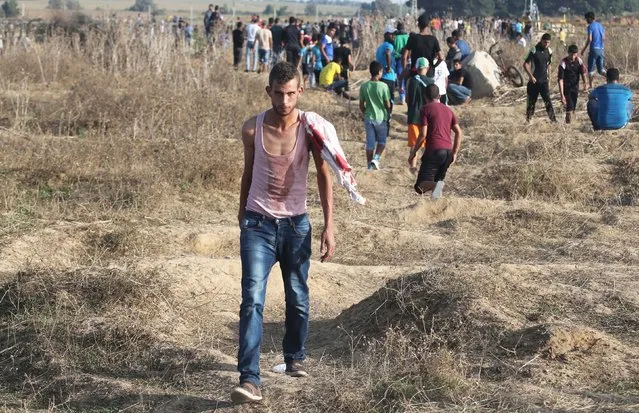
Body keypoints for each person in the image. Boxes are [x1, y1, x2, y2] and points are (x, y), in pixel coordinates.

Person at [231, 62, 335, 404]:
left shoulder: (310, 130)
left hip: (296, 226)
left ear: (300, 92)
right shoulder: (252, 128)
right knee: (252, 300)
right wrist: (242, 212)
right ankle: (249, 380)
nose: (285, 101)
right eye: (279, 93)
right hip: (258, 224)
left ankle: (294, 357)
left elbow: (323, 175)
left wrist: (329, 225)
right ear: (268, 92)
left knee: (298, 297)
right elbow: (249, 172)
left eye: (291, 94)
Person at [409, 84, 462, 200]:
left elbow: (423, 134)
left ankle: (437, 186)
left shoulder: (425, 109)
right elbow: (458, 132)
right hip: (447, 152)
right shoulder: (449, 110)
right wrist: (454, 153)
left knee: (420, 186)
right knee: (437, 186)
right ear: (439, 96)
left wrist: (414, 152)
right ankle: (436, 208)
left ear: (425, 97)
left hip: (434, 151)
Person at [359, 61, 391, 170]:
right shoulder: (383, 86)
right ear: (379, 72)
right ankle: (376, 159)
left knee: (370, 143)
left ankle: (369, 166)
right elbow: (387, 104)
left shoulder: (364, 86)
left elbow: (361, 104)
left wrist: (365, 113)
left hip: (369, 117)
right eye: (381, 71)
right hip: (381, 118)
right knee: (381, 142)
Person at [406, 57, 434, 171]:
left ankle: (413, 167)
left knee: (414, 144)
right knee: (428, 145)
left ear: (416, 68)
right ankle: (427, 167)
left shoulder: (411, 81)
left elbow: (408, 99)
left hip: (414, 116)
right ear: (427, 68)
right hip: (427, 117)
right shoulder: (431, 82)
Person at [523, 33, 557, 123]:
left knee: (548, 101)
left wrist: (550, 77)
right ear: (541, 40)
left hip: (544, 81)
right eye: (545, 42)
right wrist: (531, 76)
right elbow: (525, 64)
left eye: (548, 42)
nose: (546, 44)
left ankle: (553, 120)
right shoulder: (534, 50)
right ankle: (528, 120)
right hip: (534, 82)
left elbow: (549, 65)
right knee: (531, 103)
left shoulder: (549, 51)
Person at [558, 44, 588, 123]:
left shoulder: (579, 61)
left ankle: (572, 121)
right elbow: (560, 79)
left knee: (573, 107)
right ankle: (568, 126)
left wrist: (585, 83)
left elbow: (583, 73)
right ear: (568, 53)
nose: (573, 57)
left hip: (575, 87)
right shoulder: (563, 63)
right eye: (571, 54)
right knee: (569, 107)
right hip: (566, 88)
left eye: (575, 55)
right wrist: (562, 95)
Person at [581, 11, 606, 89]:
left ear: (589, 18)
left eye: (586, 19)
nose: (586, 20)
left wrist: (583, 49)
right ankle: (611, 78)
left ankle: (591, 86)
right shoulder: (601, 26)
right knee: (601, 70)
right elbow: (603, 38)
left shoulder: (590, 26)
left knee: (591, 69)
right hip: (601, 49)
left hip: (594, 49)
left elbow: (590, 39)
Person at [376, 26, 398, 115]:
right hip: (388, 78)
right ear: (386, 35)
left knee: (381, 100)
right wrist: (389, 68)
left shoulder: (380, 47)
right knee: (389, 99)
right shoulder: (389, 46)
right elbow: (388, 53)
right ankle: (388, 117)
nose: (394, 36)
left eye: (394, 34)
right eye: (391, 34)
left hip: (380, 77)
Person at [394, 21, 410, 105]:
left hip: (399, 59)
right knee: (407, 77)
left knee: (400, 77)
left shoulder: (395, 38)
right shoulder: (407, 37)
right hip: (408, 59)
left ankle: (402, 97)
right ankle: (407, 95)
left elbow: (394, 50)